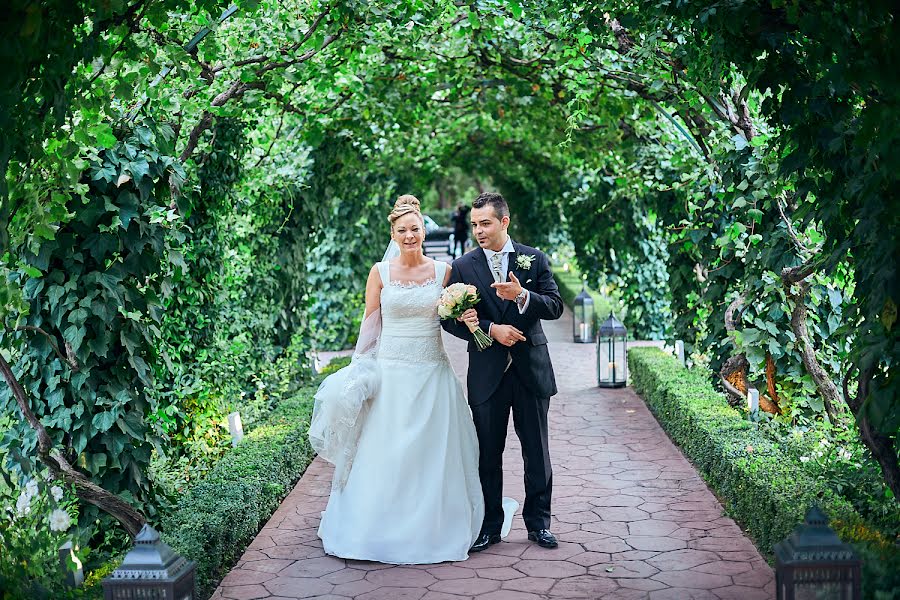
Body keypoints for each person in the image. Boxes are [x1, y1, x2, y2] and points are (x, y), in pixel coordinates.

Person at [311, 195, 484, 564]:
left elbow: (451, 321)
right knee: (385, 452)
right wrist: (360, 367)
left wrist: (471, 322)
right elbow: (371, 321)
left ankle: (432, 527)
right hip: (390, 373)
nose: (409, 236)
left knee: (431, 454)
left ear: (424, 230)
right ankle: (375, 527)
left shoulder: (444, 273)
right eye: (402, 230)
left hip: (432, 374)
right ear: (393, 233)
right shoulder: (380, 272)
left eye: (415, 229)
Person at [441, 191, 564, 552]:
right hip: (487, 373)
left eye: (486, 223)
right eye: (475, 224)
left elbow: (555, 305)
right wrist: (490, 330)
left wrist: (522, 296)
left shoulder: (533, 259)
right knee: (487, 454)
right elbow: (449, 320)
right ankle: (489, 526)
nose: (479, 230)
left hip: (531, 369)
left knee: (537, 452)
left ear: (504, 222)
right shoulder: (463, 266)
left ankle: (539, 524)